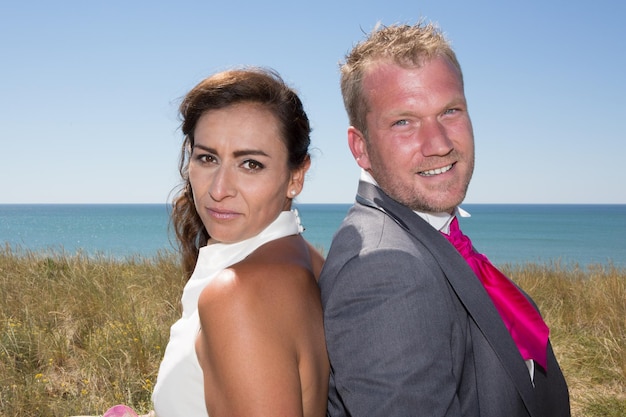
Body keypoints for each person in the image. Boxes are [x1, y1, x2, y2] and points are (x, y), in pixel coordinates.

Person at [319, 22, 571, 417]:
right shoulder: (385, 271)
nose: (439, 144)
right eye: (404, 121)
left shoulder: (427, 232)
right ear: (361, 147)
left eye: (450, 111)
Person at [147, 68, 329, 417]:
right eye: (207, 158)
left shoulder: (237, 294)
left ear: (296, 176)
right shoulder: (306, 258)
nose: (218, 190)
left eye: (250, 164)